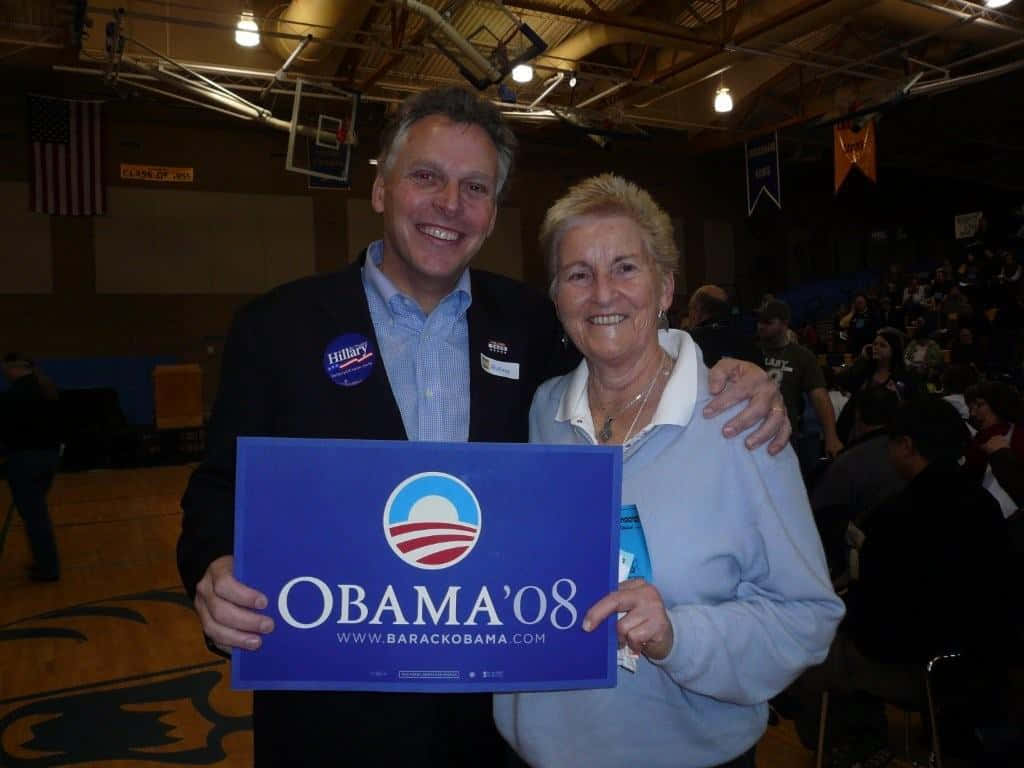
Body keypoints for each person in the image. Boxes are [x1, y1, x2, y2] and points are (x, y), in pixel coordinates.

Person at [176, 88, 791, 767]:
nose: (449, 205)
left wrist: (727, 372)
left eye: (474, 188)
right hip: (330, 717)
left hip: (491, 723)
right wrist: (212, 569)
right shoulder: (278, 327)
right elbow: (217, 491)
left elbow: (629, 347)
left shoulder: (533, 324)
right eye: (426, 177)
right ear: (381, 189)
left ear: (492, 213)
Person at [493, 174, 844, 768]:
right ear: (557, 298)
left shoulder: (739, 421)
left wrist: (678, 637)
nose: (603, 293)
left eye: (626, 267)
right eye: (579, 274)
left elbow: (806, 617)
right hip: (538, 753)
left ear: (665, 288)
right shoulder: (542, 411)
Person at [792, 398, 1011, 767]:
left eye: (891, 443)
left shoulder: (899, 517)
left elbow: (878, 617)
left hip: (917, 664)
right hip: (979, 656)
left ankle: (849, 746)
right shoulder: (985, 504)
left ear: (907, 446)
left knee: (810, 650)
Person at [1, 353, 62, 582]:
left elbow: (7, 432)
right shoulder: (47, 390)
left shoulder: (12, 396)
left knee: (35, 517)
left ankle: (48, 568)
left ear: (14, 368)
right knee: (38, 513)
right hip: (49, 457)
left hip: (25, 460)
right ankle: (45, 563)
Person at [758, 299, 844, 459]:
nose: (761, 326)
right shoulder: (749, 350)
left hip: (785, 434)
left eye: (768, 322)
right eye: (760, 321)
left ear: (784, 324)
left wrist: (831, 437)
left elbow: (820, 397)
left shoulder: (802, 356)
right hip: (750, 430)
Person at [835, 327, 919, 444]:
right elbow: (843, 381)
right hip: (859, 434)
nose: (876, 348)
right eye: (874, 344)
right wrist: (862, 358)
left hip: (890, 436)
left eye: (882, 345)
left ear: (894, 350)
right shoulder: (865, 372)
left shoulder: (903, 377)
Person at [965, 381, 1024, 517]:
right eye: (970, 407)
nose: (973, 413)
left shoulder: (1019, 435)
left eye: (979, 405)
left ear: (998, 404)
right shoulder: (976, 439)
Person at [686, 284, 763, 368]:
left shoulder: (688, 341)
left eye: (690, 308)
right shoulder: (749, 341)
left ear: (698, 308)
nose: (689, 314)